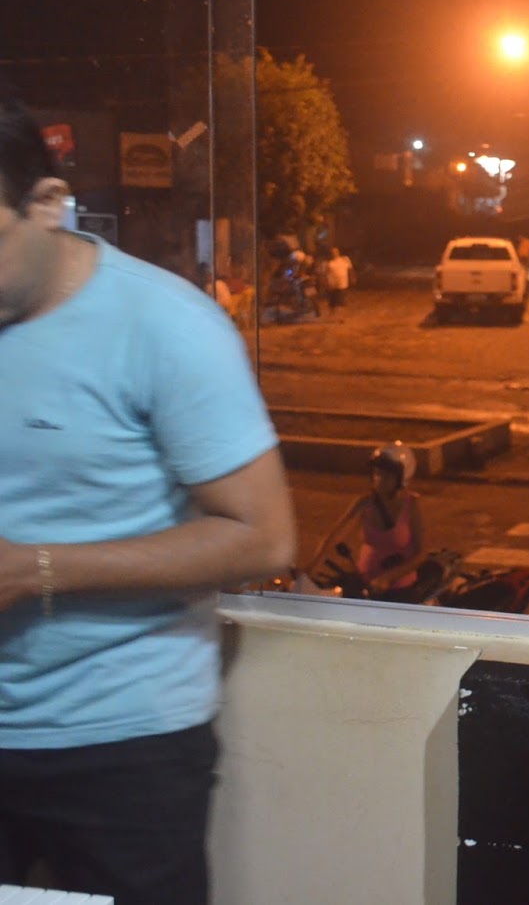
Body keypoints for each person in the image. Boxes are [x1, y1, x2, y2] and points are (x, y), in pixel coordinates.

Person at [0, 93, 297, 903]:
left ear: (47, 203)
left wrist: (35, 570)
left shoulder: (166, 325)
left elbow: (262, 537)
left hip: (122, 742)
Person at [299, 441, 437, 602]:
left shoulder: (412, 506)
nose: (379, 479)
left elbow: (420, 554)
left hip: (399, 588)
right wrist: (311, 565)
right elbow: (336, 534)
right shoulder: (365, 503)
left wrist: (389, 577)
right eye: (377, 473)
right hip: (364, 582)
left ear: (401, 478)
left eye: (386, 476)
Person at [323, 245, 353, 310]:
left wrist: (352, 278)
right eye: (332, 252)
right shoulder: (329, 263)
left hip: (342, 284)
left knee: (340, 303)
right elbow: (325, 274)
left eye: (336, 252)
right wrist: (326, 283)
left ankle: (340, 314)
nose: (334, 253)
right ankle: (334, 312)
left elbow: (350, 269)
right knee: (333, 304)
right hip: (332, 285)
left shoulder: (344, 260)